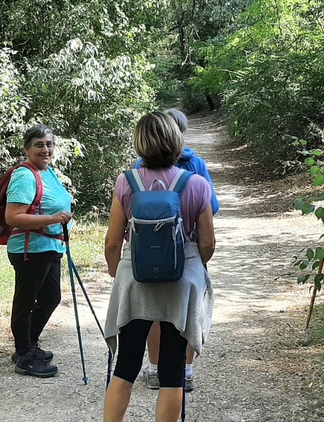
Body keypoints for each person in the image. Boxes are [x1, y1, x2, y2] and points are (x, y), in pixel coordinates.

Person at [103, 112, 215, 422]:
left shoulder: (126, 182)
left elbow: (113, 241)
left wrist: (118, 272)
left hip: (135, 280)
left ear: (140, 144)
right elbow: (207, 243)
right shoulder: (196, 183)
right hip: (181, 283)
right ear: (176, 141)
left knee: (125, 365)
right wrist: (194, 267)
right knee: (173, 369)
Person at [133, 108, 219, 392]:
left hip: (148, 256)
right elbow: (212, 213)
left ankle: (155, 369)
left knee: (156, 313)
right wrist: (196, 260)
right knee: (188, 312)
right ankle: (187, 371)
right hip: (188, 251)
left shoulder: (135, 171)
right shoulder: (197, 167)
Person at [4, 125, 73, 378]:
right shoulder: (25, 175)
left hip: (51, 246)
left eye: (49, 144)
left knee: (50, 298)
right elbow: (13, 217)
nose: (45, 149)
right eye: (39, 145)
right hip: (30, 249)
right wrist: (53, 218)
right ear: (27, 148)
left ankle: (28, 345)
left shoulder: (48, 172)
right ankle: (24, 355)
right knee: (26, 302)